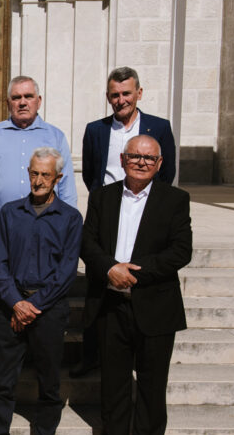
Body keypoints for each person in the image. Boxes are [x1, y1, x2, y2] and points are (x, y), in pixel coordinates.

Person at [81, 135, 191, 435]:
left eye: (149, 158)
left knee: (152, 386)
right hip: (111, 306)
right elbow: (88, 243)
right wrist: (109, 268)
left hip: (155, 306)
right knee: (113, 384)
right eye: (135, 156)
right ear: (123, 158)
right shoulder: (102, 197)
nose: (141, 162)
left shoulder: (175, 200)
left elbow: (181, 251)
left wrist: (133, 273)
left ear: (159, 164)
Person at [0, 148, 82, 435]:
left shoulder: (70, 218)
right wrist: (17, 303)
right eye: (34, 173)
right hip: (10, 307)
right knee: (3, 380)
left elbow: (67, 272)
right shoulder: (9, 212)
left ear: (58, 178)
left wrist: (35, 306)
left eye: (46, 175)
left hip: (49, 309)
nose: (39, 180)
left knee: (49, 381)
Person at [72, 66, 178, 378]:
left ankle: (139, 350)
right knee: (98, 286)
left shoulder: (159, 127)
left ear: (138, 94)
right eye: (115, 95)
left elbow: (167, 172)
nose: (121, 100)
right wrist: (105, 205)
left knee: (142, 280)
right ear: (108, 97)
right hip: (108, 215)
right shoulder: (96, 130)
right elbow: (91, 173)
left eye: (126, 93)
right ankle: (92, 355)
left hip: (146, 213)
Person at [0, 75, 77, 260]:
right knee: (1, 277)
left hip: (45, 223)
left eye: (28, 96)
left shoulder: (55, 137)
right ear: (8, 103)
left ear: (39, 101)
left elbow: (66, 186)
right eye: (16, 97)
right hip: (0, 225)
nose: (22, 102)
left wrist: (67, 226)